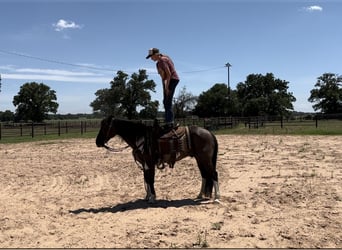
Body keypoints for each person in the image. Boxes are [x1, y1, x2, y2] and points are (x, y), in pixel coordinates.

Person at [146, 48, 179, 130]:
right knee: (165, 101)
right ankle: (168, 121)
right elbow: (163, 77)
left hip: (172, 79)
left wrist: (167, 87)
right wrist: (165, 87)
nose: (151, 58)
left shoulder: (163, 60)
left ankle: (170, 124)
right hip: (168, 81)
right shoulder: (159, 63)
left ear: (156, 54)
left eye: (152, 56)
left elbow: (169, 74)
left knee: (168, 101)